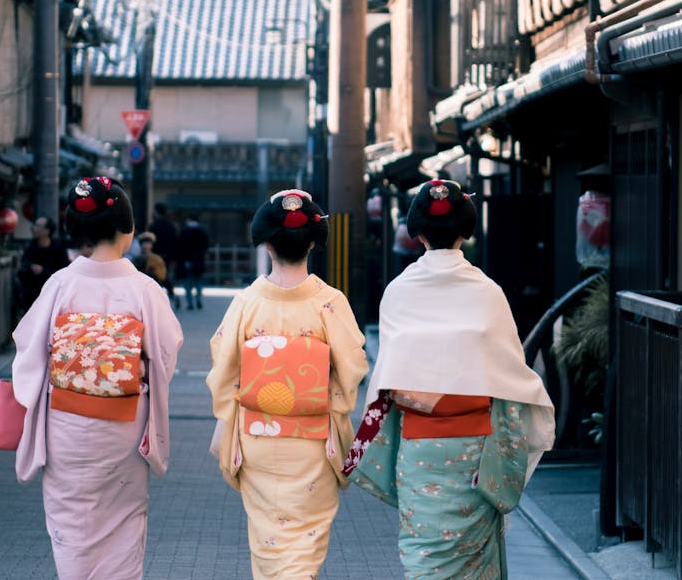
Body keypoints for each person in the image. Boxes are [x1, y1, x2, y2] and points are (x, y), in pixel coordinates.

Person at [343, 179, 556, 579]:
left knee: (423, 559)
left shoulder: (398, 292)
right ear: (465, 229)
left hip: (418, 451)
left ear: (417, 231)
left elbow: (387, 379)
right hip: (475, 454)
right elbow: (513, 377)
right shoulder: (487, 292)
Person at [10, 176, 184, 580]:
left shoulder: (59, 285)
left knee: (70, 524)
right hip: (123, 426)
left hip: (65, 426)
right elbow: (166, 353)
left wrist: (72, 367)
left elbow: (27, 351)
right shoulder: (144, 289)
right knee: (123, 522)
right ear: (129, 230)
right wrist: (128, 371)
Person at [207, 190, 370, 579]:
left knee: (268, 542)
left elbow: (223, 374)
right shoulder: (329, 302)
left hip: (258, 438)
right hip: (312, 442)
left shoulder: (246, 303)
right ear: (313, 243)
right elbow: (352, 369)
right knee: (305, 546)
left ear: (265, 243)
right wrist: (326, 405)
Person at [18, 216, 69, 310]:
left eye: (37, 226)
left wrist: (43, 271)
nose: (33, 228)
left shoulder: (58, 249)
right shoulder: (30, 247)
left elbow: (64, 272)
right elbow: (22, 270)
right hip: (32, 297)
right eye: (34, 225)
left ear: (47, 230)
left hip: (52, 296)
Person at [148, 203, 180, 308]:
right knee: (164, 275)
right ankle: (171, 295)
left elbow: (151, 242)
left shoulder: (154, 226)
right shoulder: (171, 225)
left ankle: (159, 298)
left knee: (157, 276)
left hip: (156, 255)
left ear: (156, 212)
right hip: (168, 255)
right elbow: (175, 241)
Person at [176, 213, 210, 309]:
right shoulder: (202, 231)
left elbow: (180, 247)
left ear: (189, 220)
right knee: (198, 281)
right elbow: (206, 246)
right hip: (199, 260)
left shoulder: (184, 232)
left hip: (187, 260)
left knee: (188, 282)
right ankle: (198, 299)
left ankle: (190, 302)